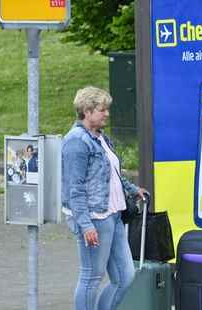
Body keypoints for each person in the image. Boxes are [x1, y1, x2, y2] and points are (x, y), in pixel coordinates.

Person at [61, 86, 148, 310]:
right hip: (95, 217)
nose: (107, 114)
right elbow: (75, 188)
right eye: (102, 110)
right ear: (87, 111)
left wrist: (131, 188)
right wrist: (85, 224)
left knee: (126, 277)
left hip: (114, 215)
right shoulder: (76, 142)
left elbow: (111, 173)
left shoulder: (100, 137)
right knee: (91, 277)